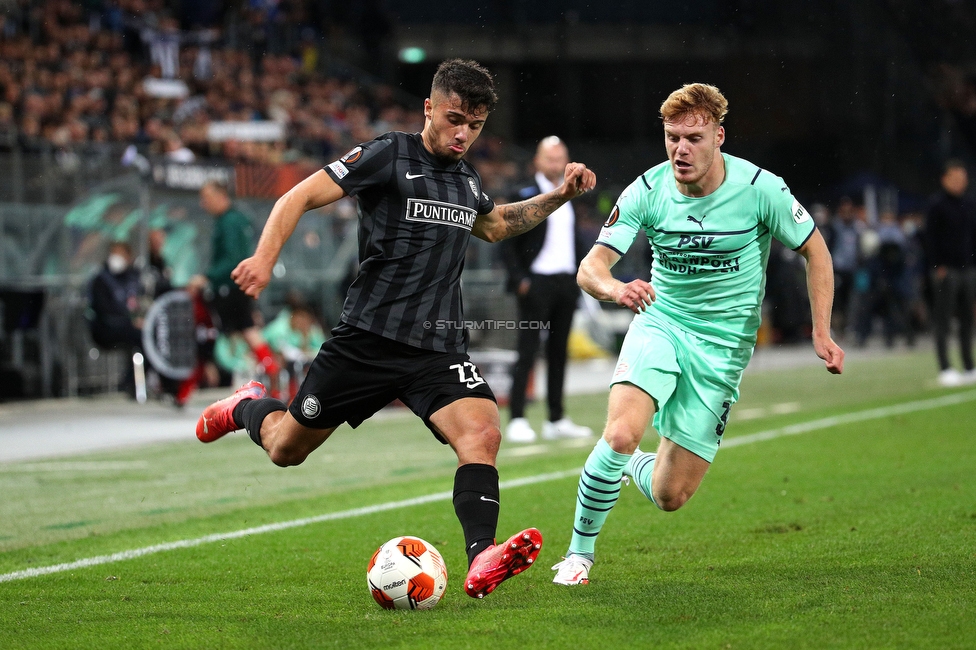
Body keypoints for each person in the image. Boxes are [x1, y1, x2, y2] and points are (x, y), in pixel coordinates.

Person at [195, 59, 596, 599]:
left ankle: (482, 558)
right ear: (428, 108)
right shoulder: (387, 154)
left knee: (482, 434)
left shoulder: (467, 178)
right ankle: (245, 405)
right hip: (366, 340)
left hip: (436, 346)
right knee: (286, 447)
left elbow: (497, 225)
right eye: (454, 119)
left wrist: (559, 196)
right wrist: (264, 260)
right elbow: (298, 197)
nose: (462, 134)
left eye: (474, 126)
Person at [550, 83, 844, 586]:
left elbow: (816, 251)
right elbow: (590, 268)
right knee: (621, 432)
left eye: (693, 137)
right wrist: (616, 289)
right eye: (672, 137)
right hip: (662, 323)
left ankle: (628, 467)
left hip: (724, 349)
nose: (680, 149)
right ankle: (579, 554)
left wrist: (822, 331)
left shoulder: (761, 189)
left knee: (671, 496)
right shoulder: (646, 189)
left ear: (718, 137)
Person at [501, 136, 593, 443]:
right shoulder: (524, 193)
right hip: (536, 282)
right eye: (550, 159)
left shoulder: (572, 195)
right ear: (538, 162)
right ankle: (517, 417)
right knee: (526, 351)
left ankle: (556, 418)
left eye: (560, 158)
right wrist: (520, 280)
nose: (556, 164)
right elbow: (508, 243)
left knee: (558, 353)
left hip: (565, 282)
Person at [188, 180, 281, 396]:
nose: (203, 204)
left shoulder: (228, 222)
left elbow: (231, 259)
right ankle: (271, 371)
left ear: (221, 196)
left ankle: (191, 382)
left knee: (211, 331)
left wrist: (206, 277)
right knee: (247, 329)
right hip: (236, 285)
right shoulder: (234, 219)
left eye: (207, 198)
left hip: (229, 286)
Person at [923, 160, 976, 387]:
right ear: (944, 179)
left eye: (962, 178)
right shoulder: (936, 205)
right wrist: (937, 266)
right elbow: (929, 239)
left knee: (968, 319)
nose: (959, 183)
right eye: (955, 178)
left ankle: (969, 366)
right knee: (943, 320)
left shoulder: (970, 203)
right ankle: (945, 367)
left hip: (968, 269)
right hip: (947, 270)